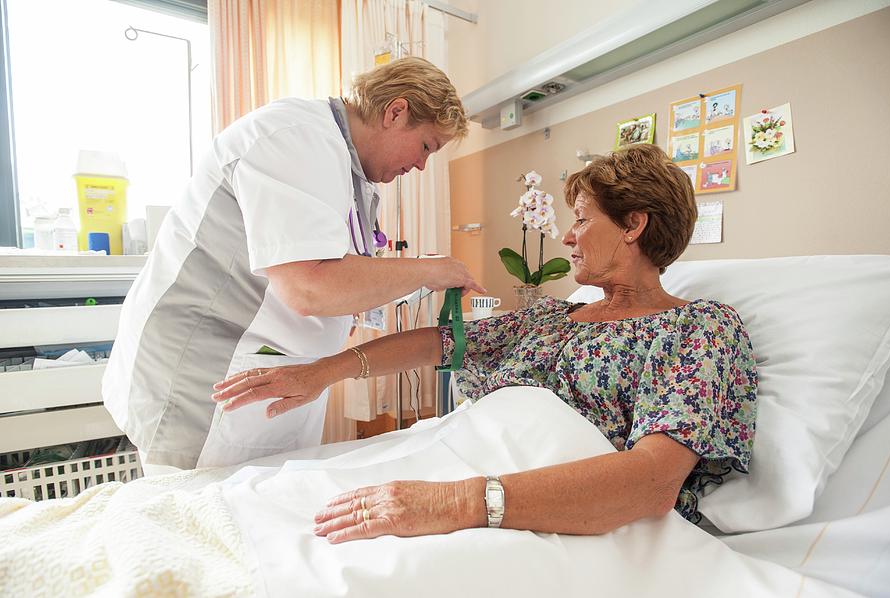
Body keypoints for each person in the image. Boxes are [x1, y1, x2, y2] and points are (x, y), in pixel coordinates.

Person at [212, 144, 758, 542]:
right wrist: (322, 372)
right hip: (465, 469)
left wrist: (452, 502)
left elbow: (653, 482)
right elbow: (438, 343)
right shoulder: (552, 317)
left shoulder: (700, 329)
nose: (567, 236)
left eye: (583, 220)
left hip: (541, 513)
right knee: (273, 511)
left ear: (634, 224)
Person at [102, 57, 484, 471]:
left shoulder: (345, 168)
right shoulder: (297, 137)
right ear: (396, 111)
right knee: (198, 516)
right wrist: (430, 271)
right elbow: (309, 287)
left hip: (268, 375)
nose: (421, 165)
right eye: (426, 146)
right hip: (206, 376)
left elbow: (339, 276)